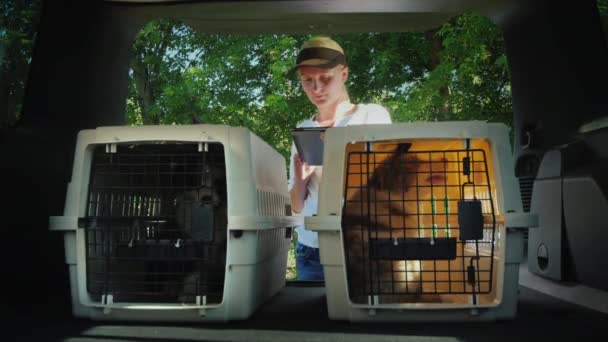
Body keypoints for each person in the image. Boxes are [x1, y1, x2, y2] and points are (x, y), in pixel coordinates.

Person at [288, 36, 393, 281]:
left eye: (325, 78)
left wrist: (338, 154)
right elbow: (295, 207)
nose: (317, 89)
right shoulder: (303, 129)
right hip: (311, 248)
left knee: (365, 316)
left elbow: (385, 185)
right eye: (308, 81)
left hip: (365, 246)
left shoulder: (372, 115)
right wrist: (300, 181)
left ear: (344, 74)